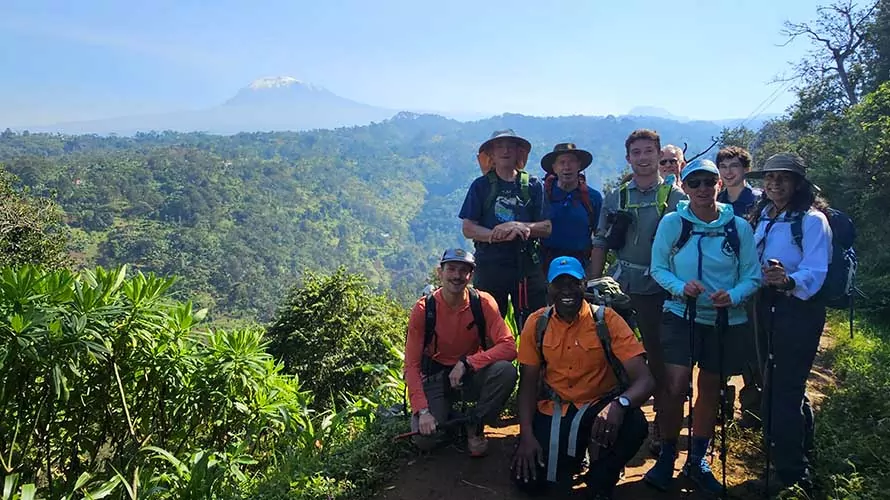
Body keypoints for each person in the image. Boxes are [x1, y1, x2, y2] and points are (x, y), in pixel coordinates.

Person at [643, 160, 761, 494]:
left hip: (725, 318)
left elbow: (752, 274)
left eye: (708, 182)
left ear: (718, 185)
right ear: (686, 187)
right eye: (694, 183)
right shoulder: (673, 223)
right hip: (681, 312)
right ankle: (667, 454)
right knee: (675, 385)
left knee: (710, 387)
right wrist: (681, 288)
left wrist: (734, 295)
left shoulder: (738, 227)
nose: (702, 189)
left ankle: (697, 458)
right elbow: (658, 268)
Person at [511, 256, 654, 499]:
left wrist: (619, 405)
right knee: (530, 482)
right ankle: (576, 457)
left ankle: (602, 475)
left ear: (584, 285)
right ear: (549, 288)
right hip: (556, 410)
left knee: (634, 424)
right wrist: (526, 435)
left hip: (600, 408)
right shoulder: (537, 324)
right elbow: (527, 387)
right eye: (559, 283)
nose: (566, 290)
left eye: (573, 283)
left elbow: (645, 380)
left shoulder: (606, 320)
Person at [589, 129, 686, 455]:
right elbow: (601, 242)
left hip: (662, 290)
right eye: (636, 153)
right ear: (628, 157)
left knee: (660, 360)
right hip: (621, 288)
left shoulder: (676, 198)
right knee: (615, 357)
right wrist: (593, 283)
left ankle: (662, 427)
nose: (643, 158)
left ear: (659, 156)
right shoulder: (616, 197)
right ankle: (610, 422)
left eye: (648, 152)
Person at [746, 153, 832, 496]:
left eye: (784, 177)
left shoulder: (811, 220)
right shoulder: (763, 217)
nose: (775, 183)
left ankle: (793, 474)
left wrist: (788, 280)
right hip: (764, 304)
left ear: (798, 184)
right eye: (770, 177)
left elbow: (817, 270)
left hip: (797, 309)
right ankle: (795, 455)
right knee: (778, 383)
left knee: (784, 389)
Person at [404, 248, 519, 457]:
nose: (457, 276)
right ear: (440, 272)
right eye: (452, 269)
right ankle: (455, 420)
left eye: (463, 271)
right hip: (436, 376)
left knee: (506, 372)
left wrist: (467, 363)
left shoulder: (482, 303)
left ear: (471, 275)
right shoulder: (424, 309)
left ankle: (475, 424)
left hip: (469, 375)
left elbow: (509, 347)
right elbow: (411, 365)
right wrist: (422, 411)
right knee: (423, 439)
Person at [459, 129, 551, 326]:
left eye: (511, 146)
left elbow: (546, 227)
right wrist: (495, 234)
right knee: (487, 324)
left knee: (534, 325)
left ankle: (530, 357)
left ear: (519, 152)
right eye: (499, 146)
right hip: (491, 266)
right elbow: (468, 228)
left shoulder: (533, 185)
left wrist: (518, 226)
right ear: (491, 153)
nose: (505, 150)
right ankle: (491, 358)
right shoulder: (481, 186)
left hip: (526, 267)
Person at [716, 145, 764, 428]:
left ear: (745, 169)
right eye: (723, 166)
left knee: (751, 345)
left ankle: (752, 411)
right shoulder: (715, 199)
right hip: (720, 280)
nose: (728, 172)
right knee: (718, 343)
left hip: (749, 282)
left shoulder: (758, 201)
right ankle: (721, 407)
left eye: (734, 166)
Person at [540, 142, 603, 276]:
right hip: (545, 266)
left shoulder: (593, 198)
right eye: (561, 162)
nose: (567, 167)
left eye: (572, 162)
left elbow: (600, 237)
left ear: (579, 165)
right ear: (554, 167)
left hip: (581, 266)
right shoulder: (542, 196)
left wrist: (594, 275)